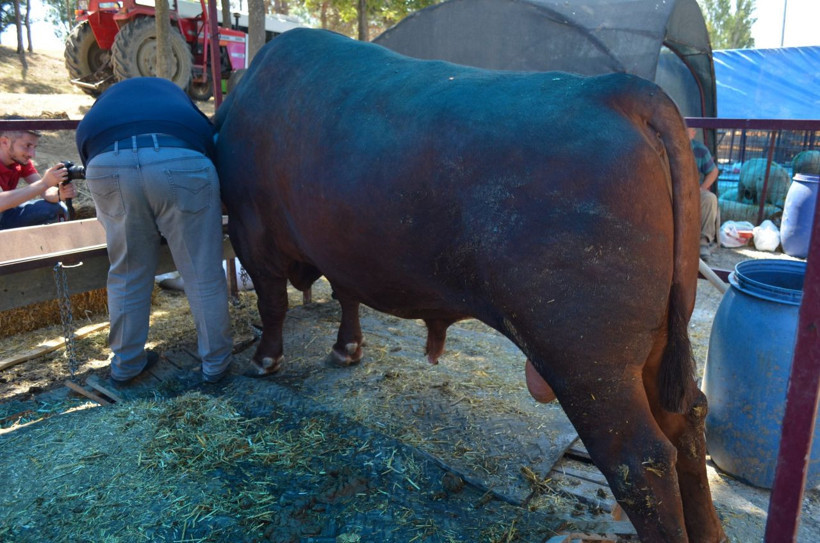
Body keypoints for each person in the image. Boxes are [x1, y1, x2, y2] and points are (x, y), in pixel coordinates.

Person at [76, 77, 233, 385]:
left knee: (127, 273)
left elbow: (86, 145)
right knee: (201, 271)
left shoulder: (105, 103)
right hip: (181, 158)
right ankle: (216, 364)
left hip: (107, 163)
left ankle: (126, 365)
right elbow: (211, 143)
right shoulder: (177, 99)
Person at [0, 118, 77, 230]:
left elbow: (46, 192)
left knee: (58, 209)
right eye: (27, 146)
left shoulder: (20, 161)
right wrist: (44, 183)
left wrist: (60, 193)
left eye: (34, 147)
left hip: (4, 216)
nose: (32, 154)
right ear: (4, 142)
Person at [688, 126, 720, 260]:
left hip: (691, 192)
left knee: (709, 199)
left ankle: (703, 243)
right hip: (668, 190)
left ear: (693, 133)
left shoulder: (699, 150)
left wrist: (702, 188)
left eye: (687, 129)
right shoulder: (666, 146)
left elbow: (713, 171)